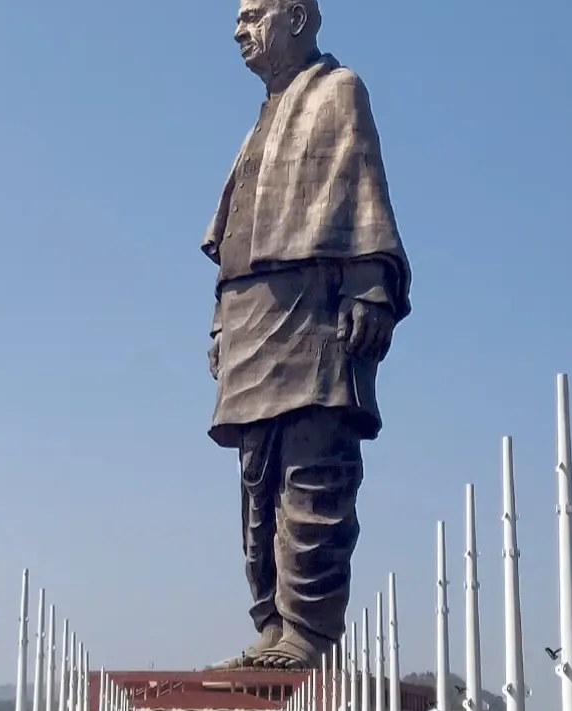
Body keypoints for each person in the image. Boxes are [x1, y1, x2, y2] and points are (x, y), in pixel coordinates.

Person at [203, 0, 410, 671]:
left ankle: (310, 630)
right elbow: (233, 231)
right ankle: (271, 622)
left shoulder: (337, 91)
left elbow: (362, 191)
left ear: (295, 17)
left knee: (313, 468)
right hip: (250, 318)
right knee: (256, 474)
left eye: (252, 13)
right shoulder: (261, 117)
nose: (239, 28)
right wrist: (219, 321)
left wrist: (370, 282)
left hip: (312, 310)